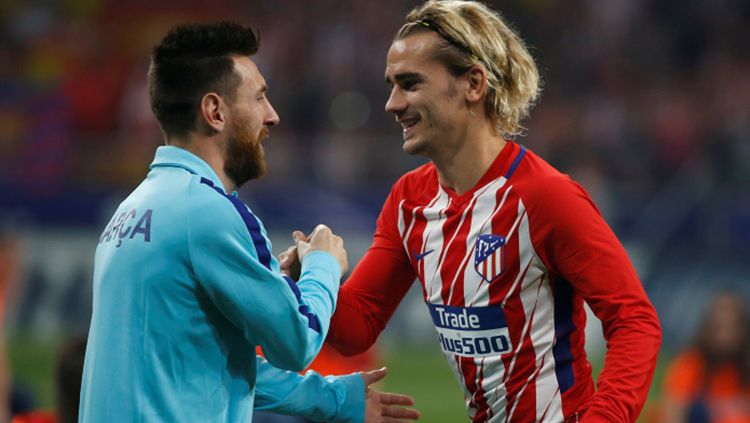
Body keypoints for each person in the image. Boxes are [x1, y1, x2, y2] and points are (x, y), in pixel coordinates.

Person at [281, 1, 661, 421]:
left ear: (473, 85)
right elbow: (359, 326)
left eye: (409, 83)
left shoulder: (547, 198)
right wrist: (313, 273)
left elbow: (635, 321)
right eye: (392, 85)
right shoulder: (409, 201)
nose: (391, 103)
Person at [79, 21, 419, 423]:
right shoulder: (208, 210)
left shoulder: (132, 210)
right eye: (258, 97)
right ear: (215, 111)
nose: (271, 116)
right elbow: (298, 339)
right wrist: (323, 265)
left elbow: (210, 361)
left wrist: (333, 398)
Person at [659, 294, 750, 423]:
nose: (724, 337)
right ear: (707, 328)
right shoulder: (691, 363)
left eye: (731, 328)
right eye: (719, 328)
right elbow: (673, 411)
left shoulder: (745, 366)